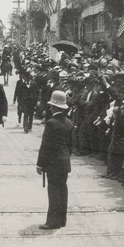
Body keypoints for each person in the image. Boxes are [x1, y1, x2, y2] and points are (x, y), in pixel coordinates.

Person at [37, 91, 74, 230]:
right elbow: (71, 146)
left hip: (53, 163)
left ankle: (52, 221)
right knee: (63, 190)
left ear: (53, 107)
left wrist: (40, 164)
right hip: (64, 162)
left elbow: (45, 146)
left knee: (53, 192)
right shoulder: (69, 123)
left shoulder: (51, 123)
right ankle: (62, 220)